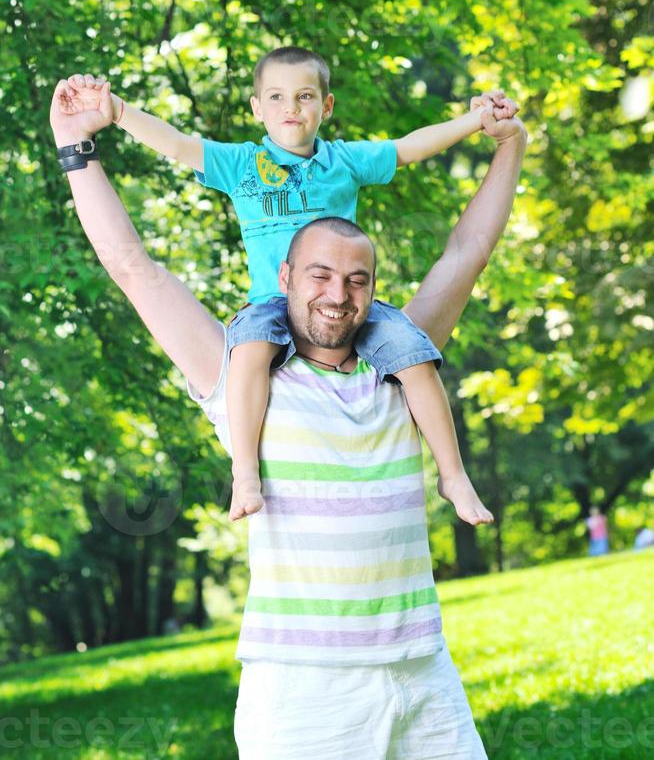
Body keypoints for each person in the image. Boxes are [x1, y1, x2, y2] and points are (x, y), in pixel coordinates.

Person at [50, 75, 527, 758]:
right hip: (305, 694)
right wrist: (76, 146)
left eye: (356, 280)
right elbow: (134, 267)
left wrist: (510, 145)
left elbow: (466, 252)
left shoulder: (401, 362)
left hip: (423, 672)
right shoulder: (242, 379)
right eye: (319, 277)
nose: (338, 295)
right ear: (285, 280)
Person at [62, 49, 517, 527]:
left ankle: (453, 475)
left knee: (416, 354)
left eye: (304, 97)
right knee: (248, 353)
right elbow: (176, 145)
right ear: (257, 108)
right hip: (269, 304)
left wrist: (476, 122)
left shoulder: (344, 161)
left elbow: (409, 148)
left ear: (327, 105)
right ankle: (244, 475)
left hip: (352, 311)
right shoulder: (243, 164)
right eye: (276, 97)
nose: (291, 108)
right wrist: (116, 113)